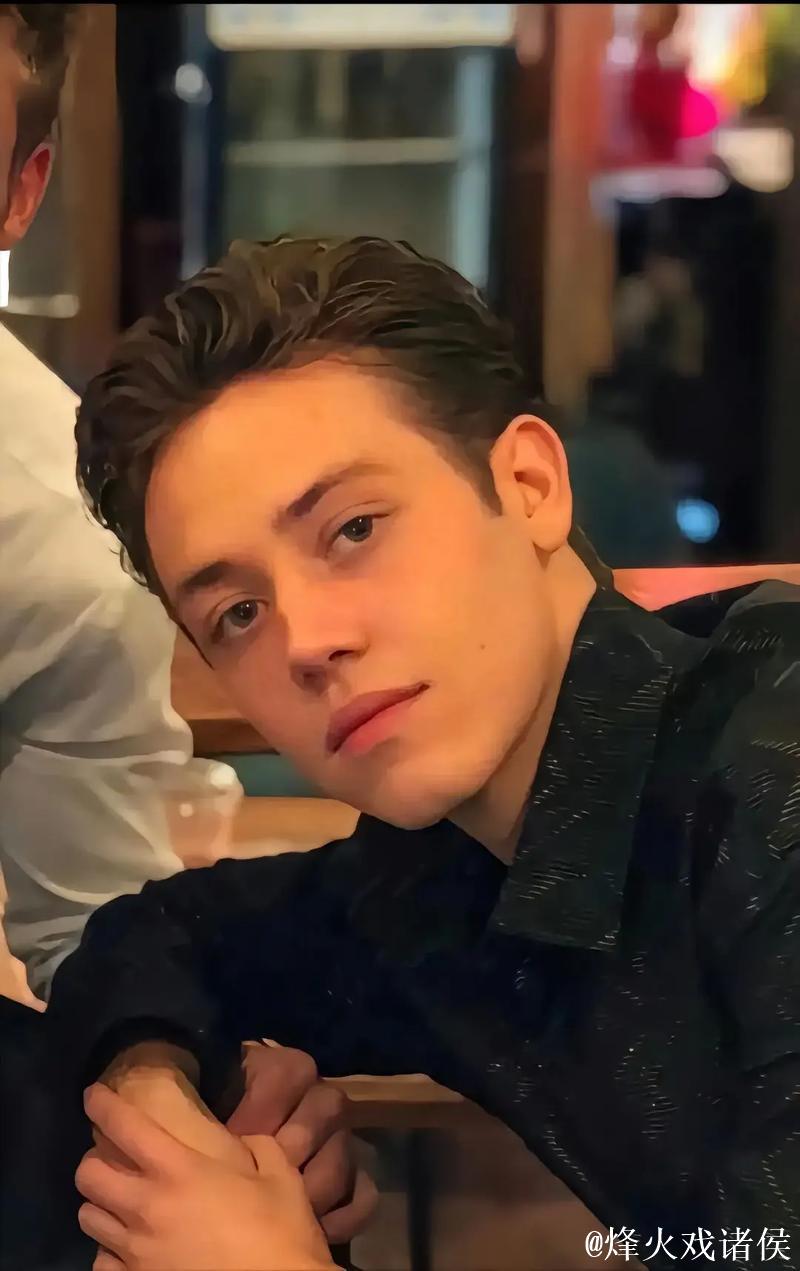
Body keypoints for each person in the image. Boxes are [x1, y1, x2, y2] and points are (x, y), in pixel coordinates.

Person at [49, 235, 800, 1269]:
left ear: (530, 483)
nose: (306, 640)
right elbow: (154, 935)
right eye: (237, 612)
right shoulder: (440, 878)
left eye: (354, 528)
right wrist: (167, 1116)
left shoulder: (768, 778)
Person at [0, 12, 373, 1268]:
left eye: (356, 527)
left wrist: (189, 1104)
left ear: (19, 193)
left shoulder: (50, 547)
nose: (320, 637)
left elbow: (104, 932)